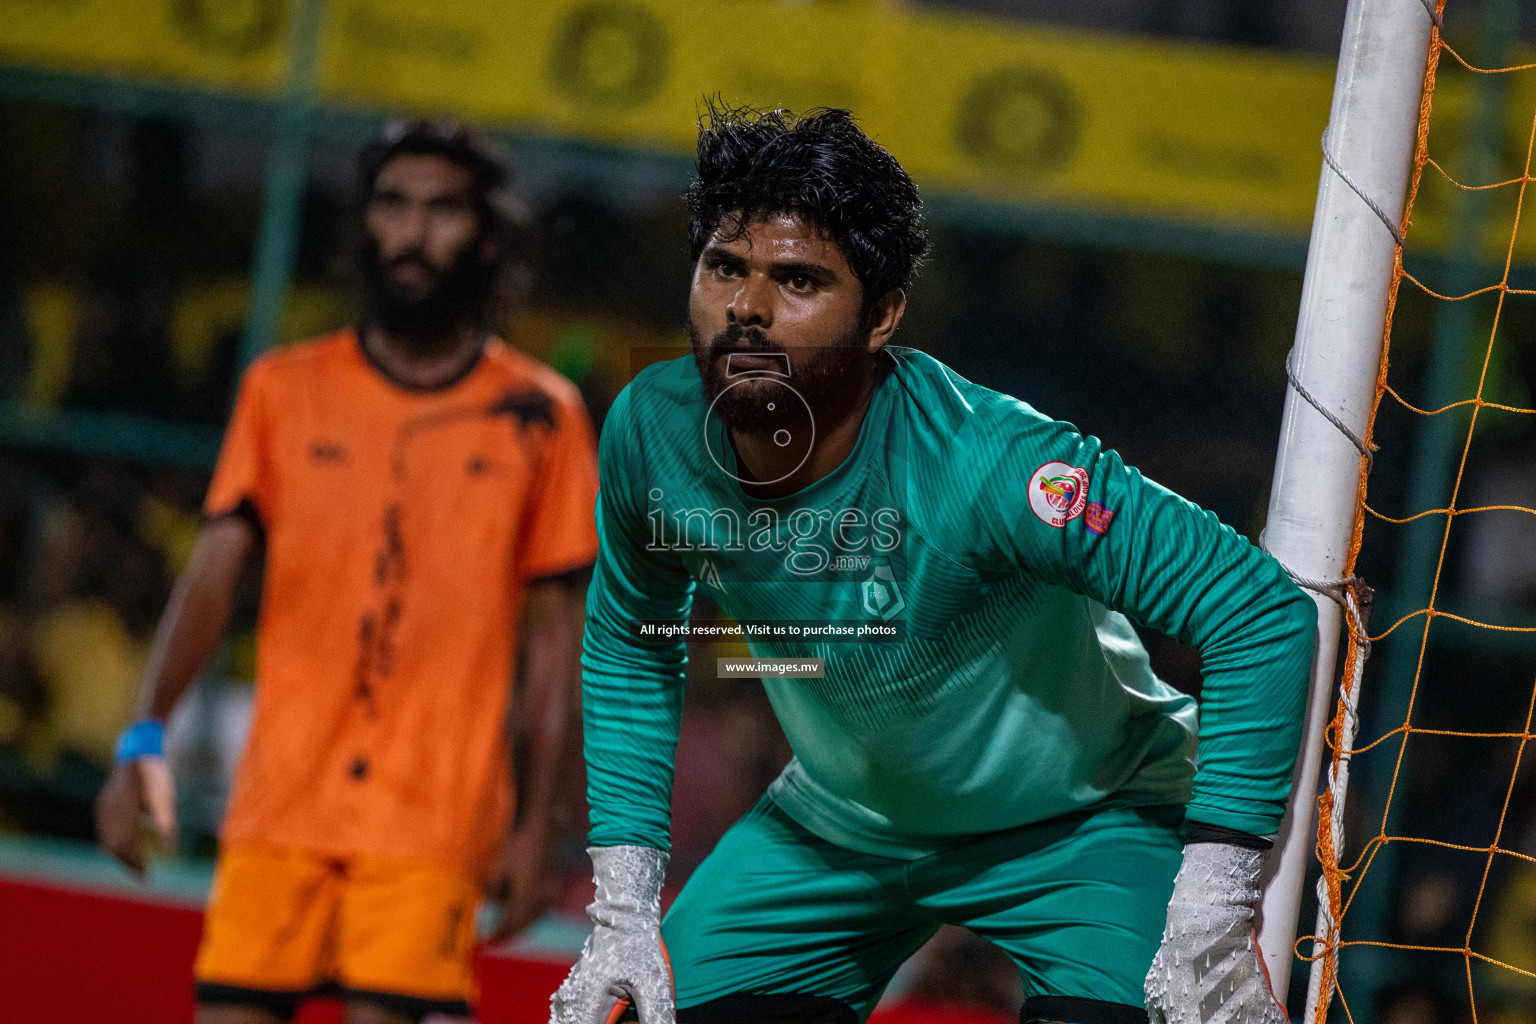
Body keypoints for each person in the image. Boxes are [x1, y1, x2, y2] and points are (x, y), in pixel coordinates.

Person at [550, 106, 1316, 1024]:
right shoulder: (655, 429)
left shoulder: (990, 462)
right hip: (842, 823)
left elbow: (1256, 610)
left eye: (797, 279)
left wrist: (1213, 905)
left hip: (1086, 819)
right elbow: (635, 643)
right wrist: (624, 905)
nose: (747, 307)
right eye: (725, 267)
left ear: (880, 318)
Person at [96, 120, 599, 1024]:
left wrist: (539, 829)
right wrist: (142, 740)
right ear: (364, 226)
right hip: (277, 809)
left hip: (433, 828)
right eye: (392, 205)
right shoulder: (284, 390)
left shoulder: (542, 417)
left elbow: (557, 642)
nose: (412, 232)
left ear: (486, 236)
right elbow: (210, 578)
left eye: (442, 210)